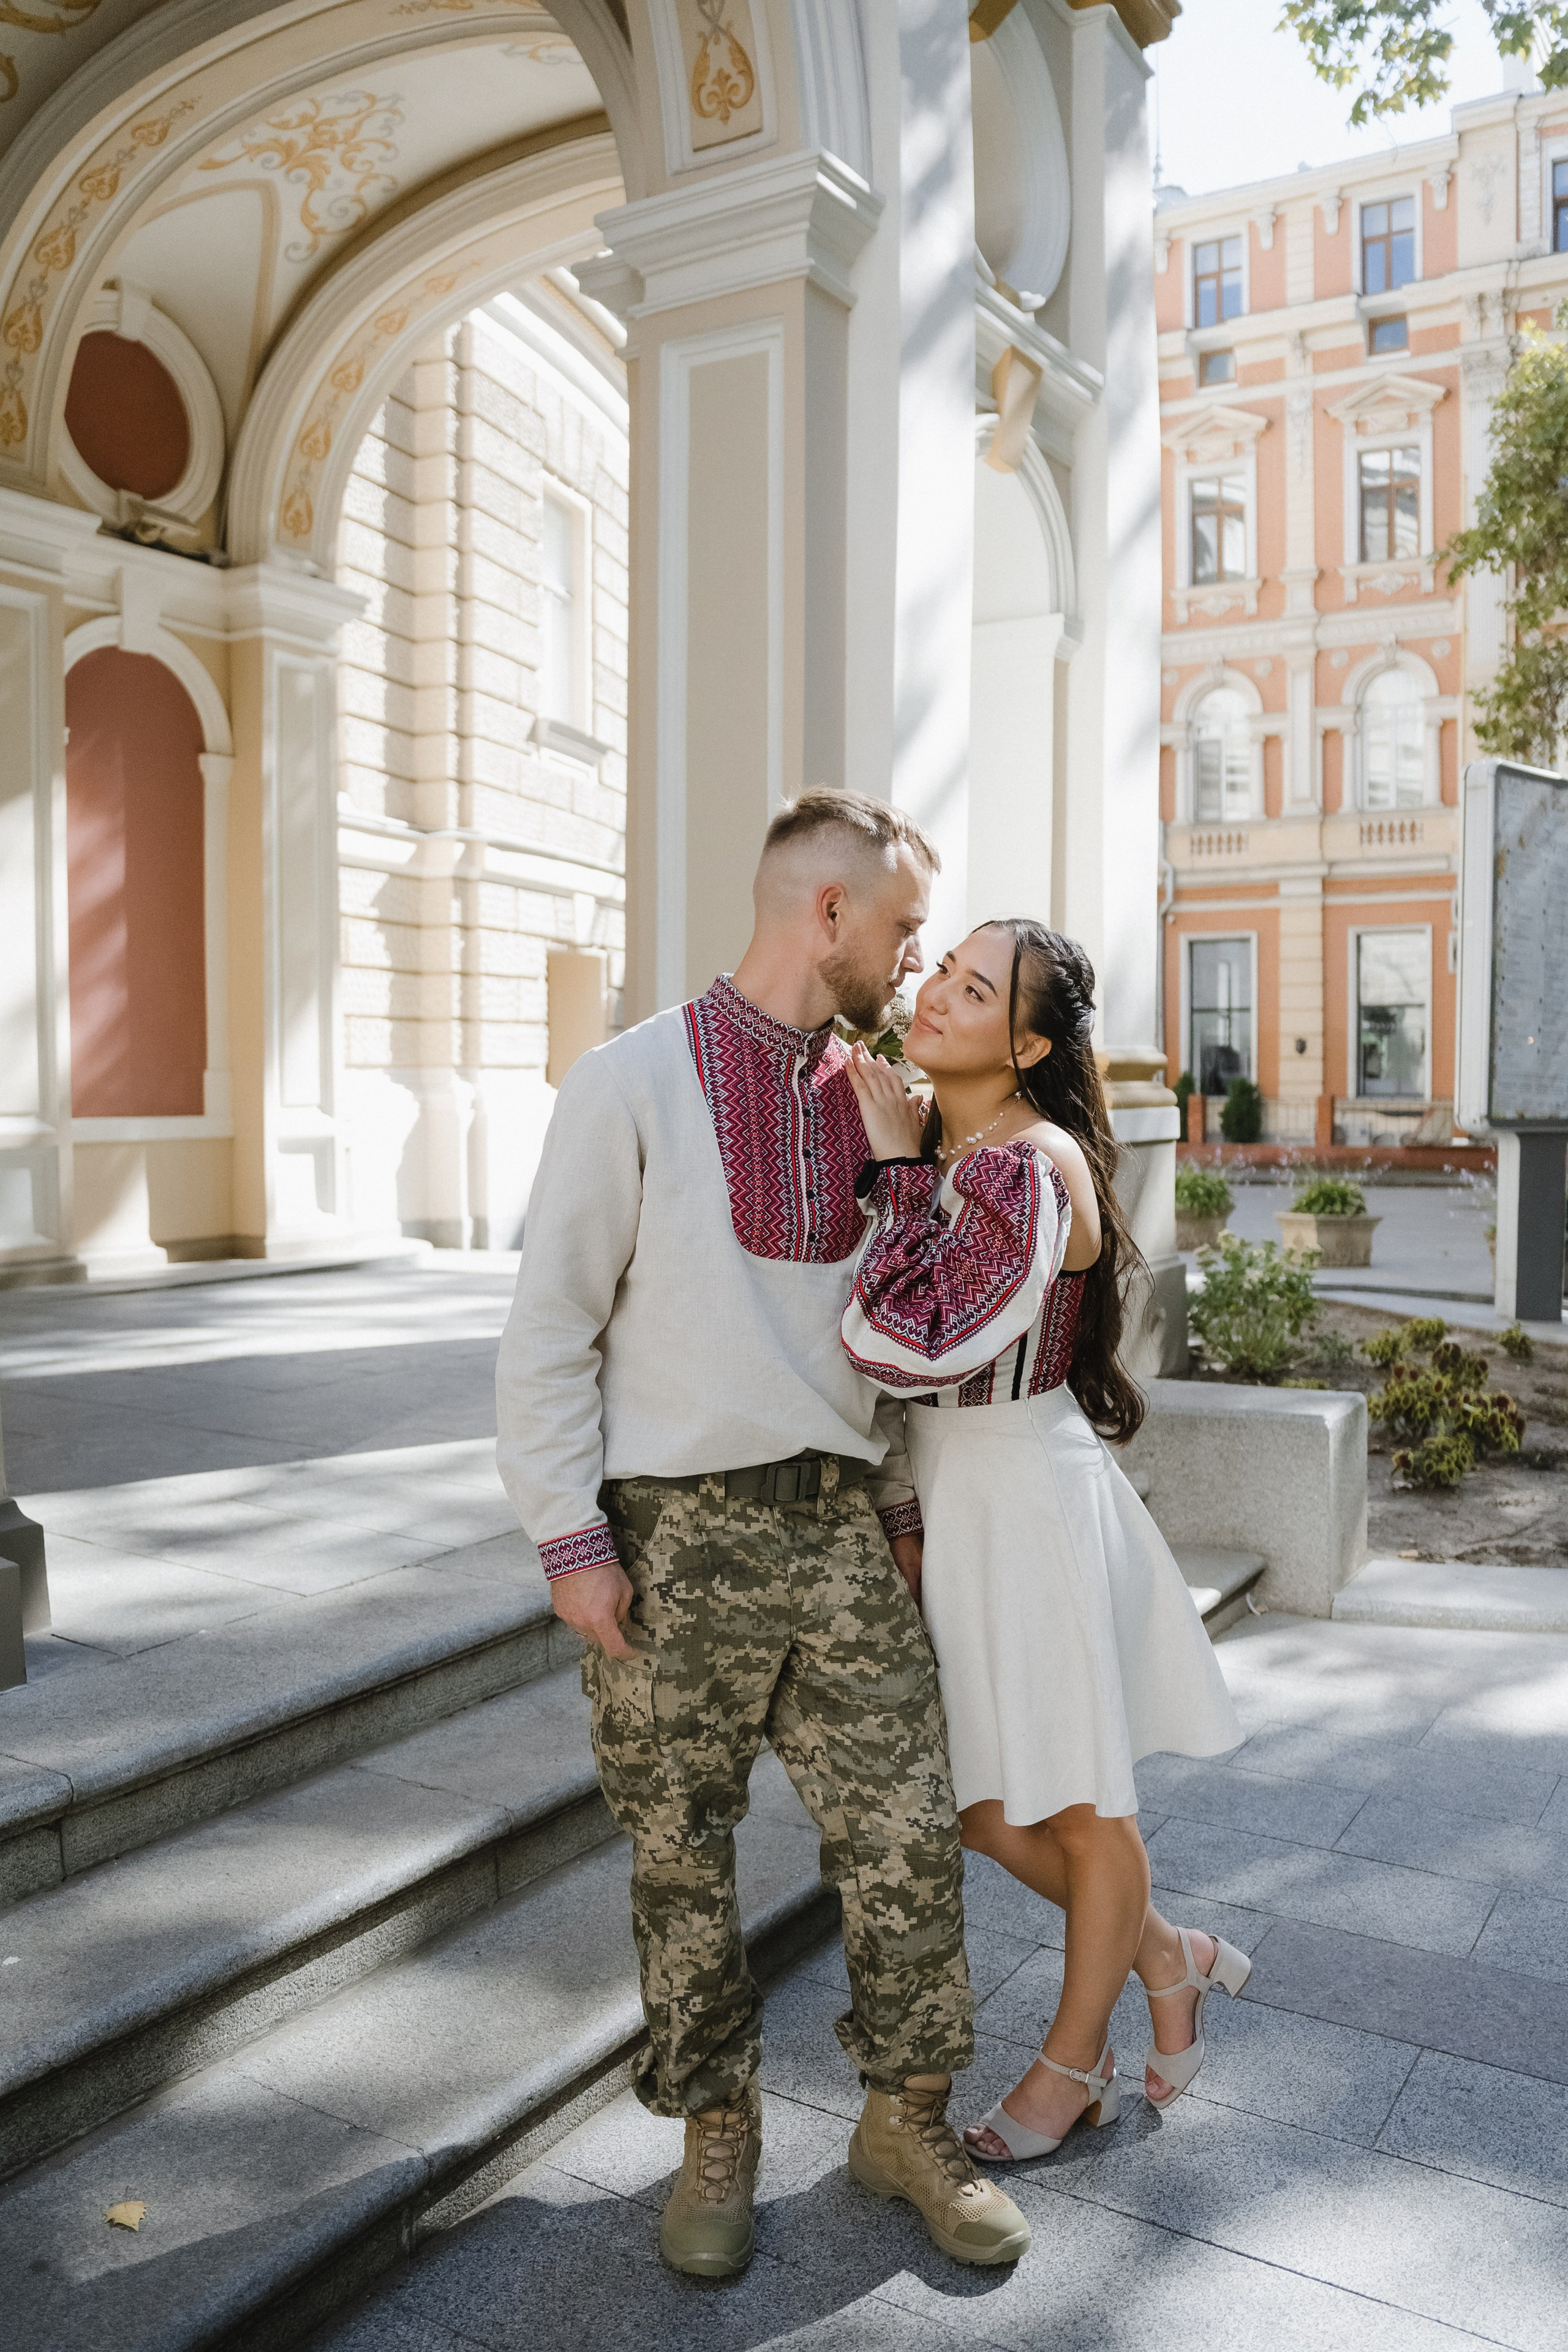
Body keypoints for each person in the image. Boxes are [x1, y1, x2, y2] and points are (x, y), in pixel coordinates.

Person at [496, 790, 1031, 2278]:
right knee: (680, 1858)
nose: (913, 959)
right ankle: (713, 2128)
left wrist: (907, 1515)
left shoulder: (891, 1102)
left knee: (908, 1835)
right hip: (671, 1541)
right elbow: (545, 1331)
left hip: (840, 1529)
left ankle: (905, 2118)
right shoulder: (629, 1081)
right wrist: (568, 1540)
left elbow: (901, 1337)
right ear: (827, 915)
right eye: (903, 927)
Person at [840, 919, 1250, 2165]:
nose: (936, 996)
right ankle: (1164, 1955)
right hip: (962, 1498)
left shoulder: (1033, 1163)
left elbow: (906, 1341)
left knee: (1072, 1799)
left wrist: (887, 1169)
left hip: (1024, 1491)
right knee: (981, 1803)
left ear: (1025, 1042)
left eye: (974, 991)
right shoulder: (951, 1144)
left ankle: (1069, 2068)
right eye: (941, 973)